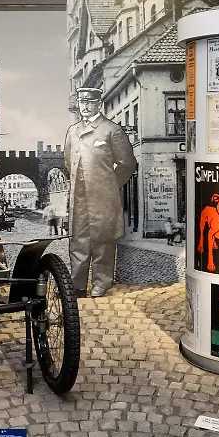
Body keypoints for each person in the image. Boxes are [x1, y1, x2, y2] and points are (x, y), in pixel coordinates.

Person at [64, 87, 136, 298]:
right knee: (78, 239)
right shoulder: (72, 131)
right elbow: (68, 162)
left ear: (98, 104)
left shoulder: (111, 130)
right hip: (78, 196)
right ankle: (77, 285)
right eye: (82, 102)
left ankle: (101, 283)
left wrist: (110, 185)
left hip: (104, 196)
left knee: (103, 239)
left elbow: (127, 164)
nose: (85, 106)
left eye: (89, 102)